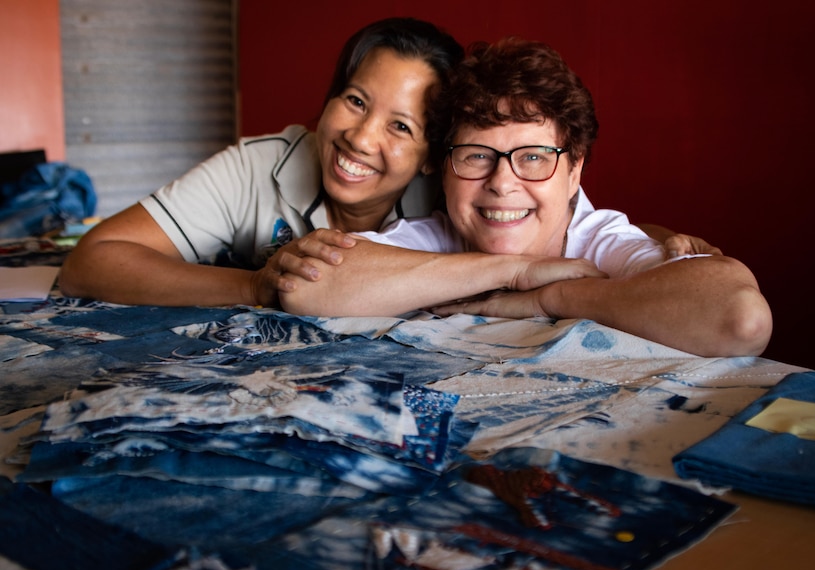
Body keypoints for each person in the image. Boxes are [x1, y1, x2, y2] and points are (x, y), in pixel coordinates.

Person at [59, 18, 715, 310]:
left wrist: (656, 241)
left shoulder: (457, 191)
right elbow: (91, 260)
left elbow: (554, 226)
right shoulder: (260, 166)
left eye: (400, 125)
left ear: (433, 155)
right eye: (352, 100)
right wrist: (253, 286)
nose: (359, 138)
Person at [277, 38, 772, 358]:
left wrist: (547, 298)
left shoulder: (600, 242)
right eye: (476, 156)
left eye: (533, 157)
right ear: (444, 168)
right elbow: (304, 290)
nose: (502, 182)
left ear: (574, 168)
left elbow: (740, 319)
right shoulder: (436, 236)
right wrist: (515, 272)